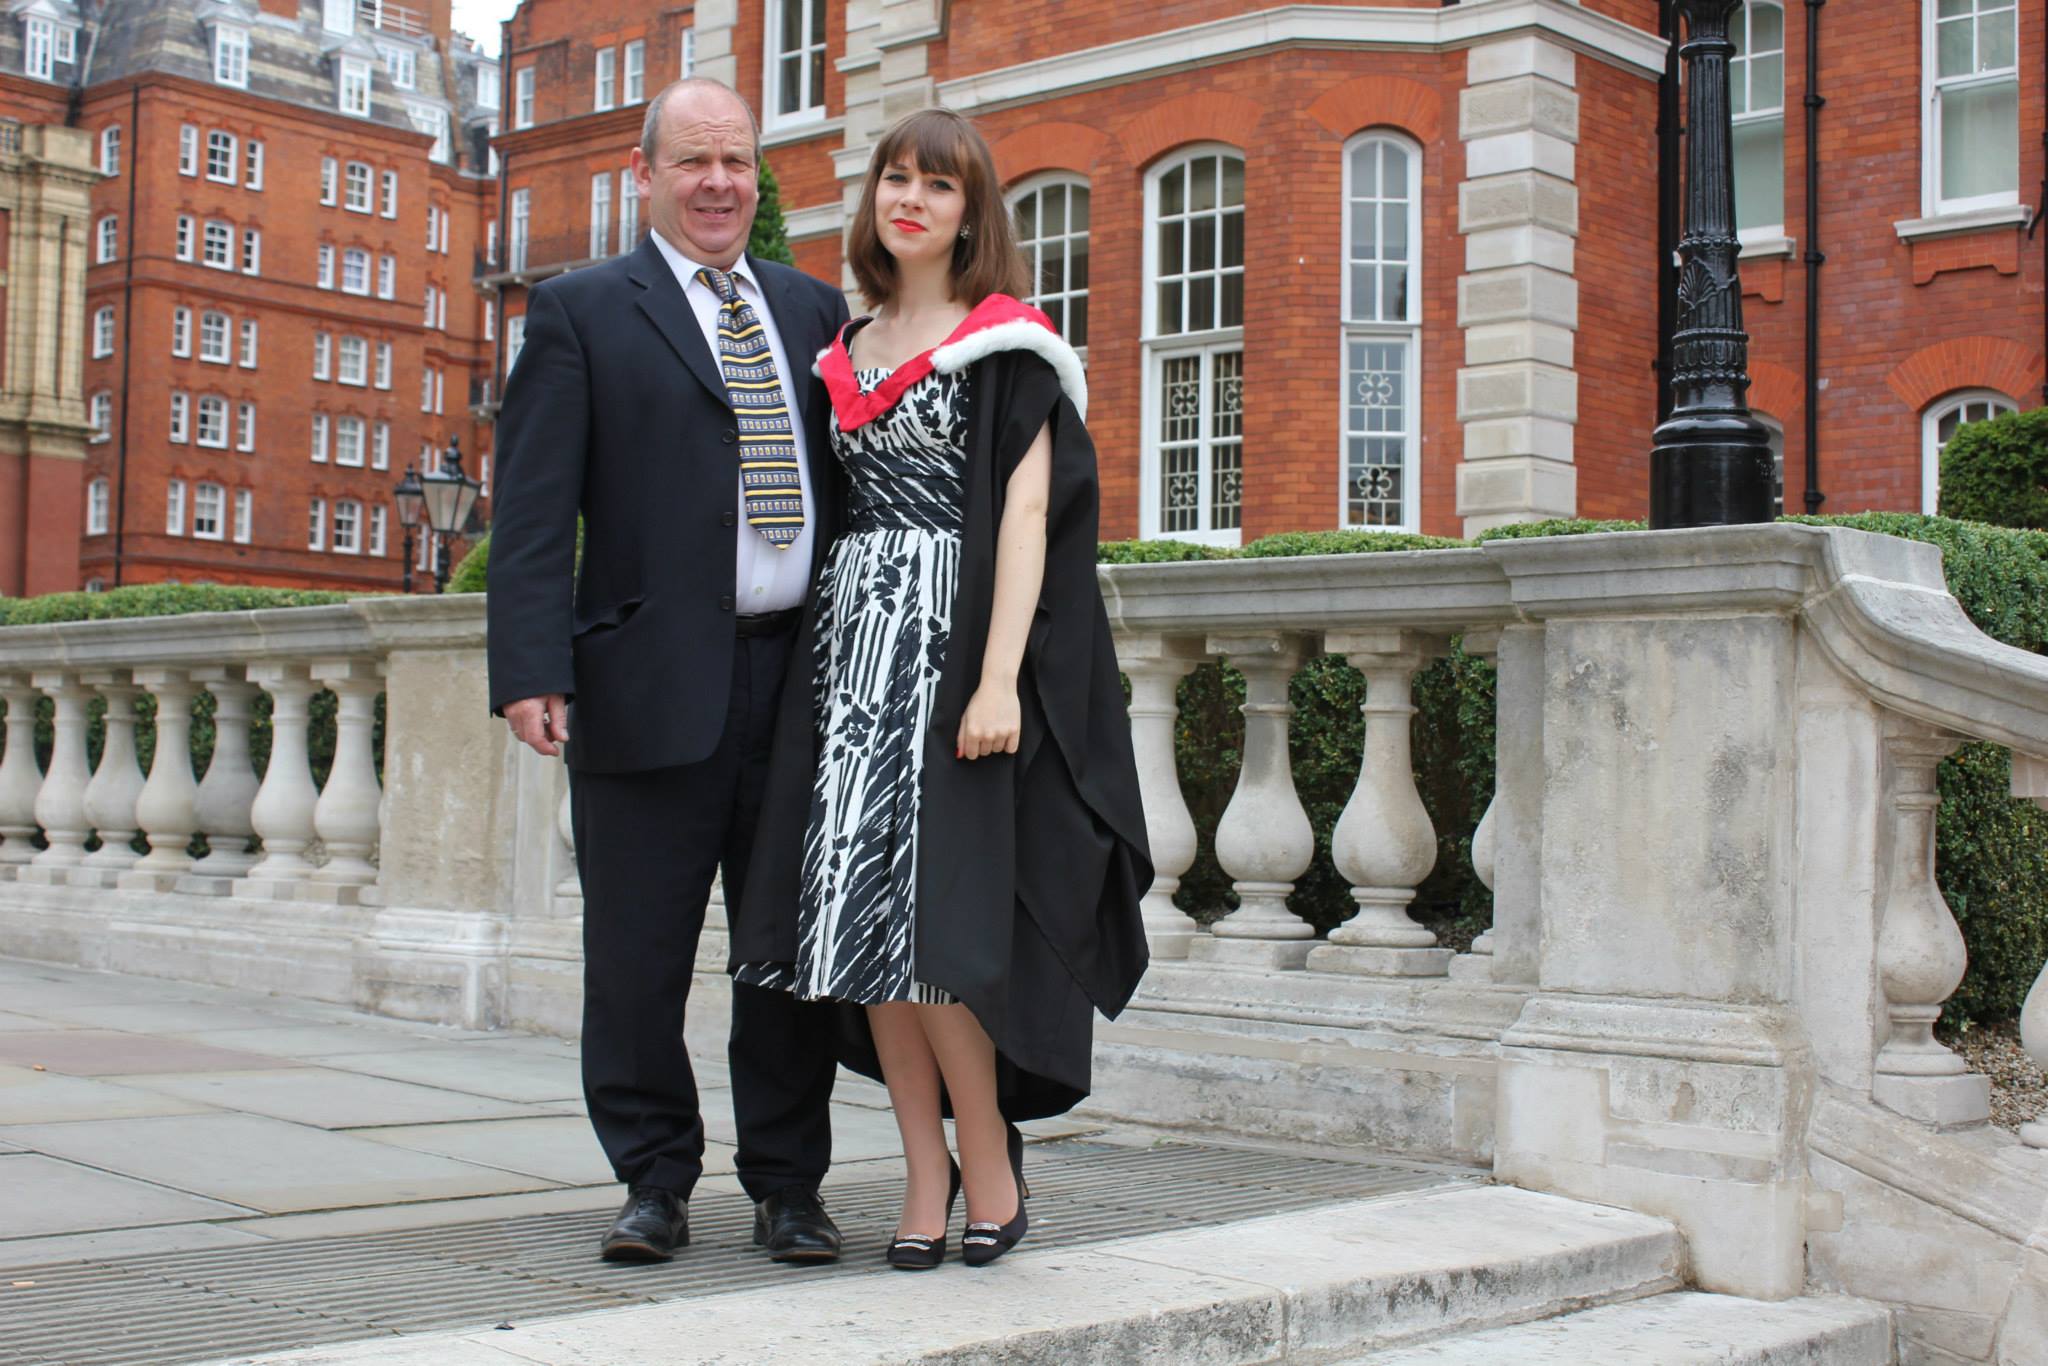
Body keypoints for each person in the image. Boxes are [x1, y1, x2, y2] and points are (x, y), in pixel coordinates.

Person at [732, 108, 1151, 1270]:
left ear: (971, 214)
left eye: (937, 185)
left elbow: (1027, 515)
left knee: (939, 935)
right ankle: (923, 1175)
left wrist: (999, 678)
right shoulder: (845, 349)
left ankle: (989, 1161)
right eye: (895, 179)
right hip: (847, 657)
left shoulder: (1006, 345)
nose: (909, 199)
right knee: (861, 928)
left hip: (950, 653)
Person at [485, 78, 851, 1266]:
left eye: (736, 161)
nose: (717, 183)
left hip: (798, 687)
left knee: (786, 955)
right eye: (693, 161)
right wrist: (529, 666)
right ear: (644, 175)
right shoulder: (581, 310)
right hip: (642, 683)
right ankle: (653, 1177)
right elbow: (533, 510)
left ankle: (788, 1186)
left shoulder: (812, 309)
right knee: (636, 958)